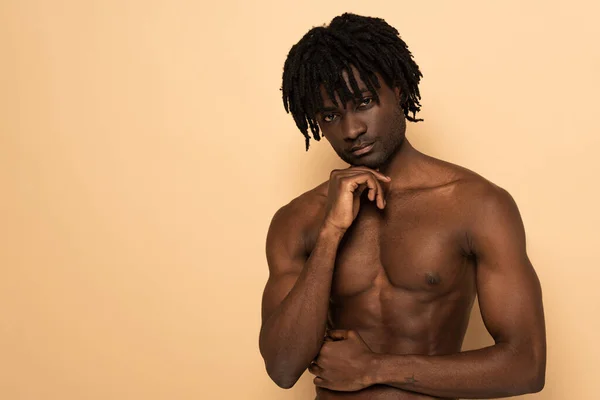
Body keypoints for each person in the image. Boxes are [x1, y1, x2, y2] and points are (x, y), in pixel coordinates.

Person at [259, 13, 546, 400]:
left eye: (363, 102)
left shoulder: (477, 205)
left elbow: (526, 365)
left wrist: (373, 367)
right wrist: (331, 233)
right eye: (330, 115)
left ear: (397, 89)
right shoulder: (298, 221)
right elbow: (282, 367)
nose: (351, 130)